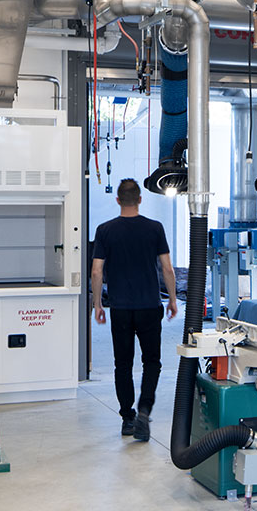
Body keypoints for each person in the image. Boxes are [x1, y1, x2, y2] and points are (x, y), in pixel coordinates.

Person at [91, 178, 177, 441]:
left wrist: (97, 304)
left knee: (122, 364)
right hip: (150, 306)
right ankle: (144, 408)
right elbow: (167, 268)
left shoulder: (105, 230)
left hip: (121, 308)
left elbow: (96, 270)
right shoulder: (155, 228)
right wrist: (172, 299)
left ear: (118, 200)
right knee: (152, 362)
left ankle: (128, 418)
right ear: (140, 199)